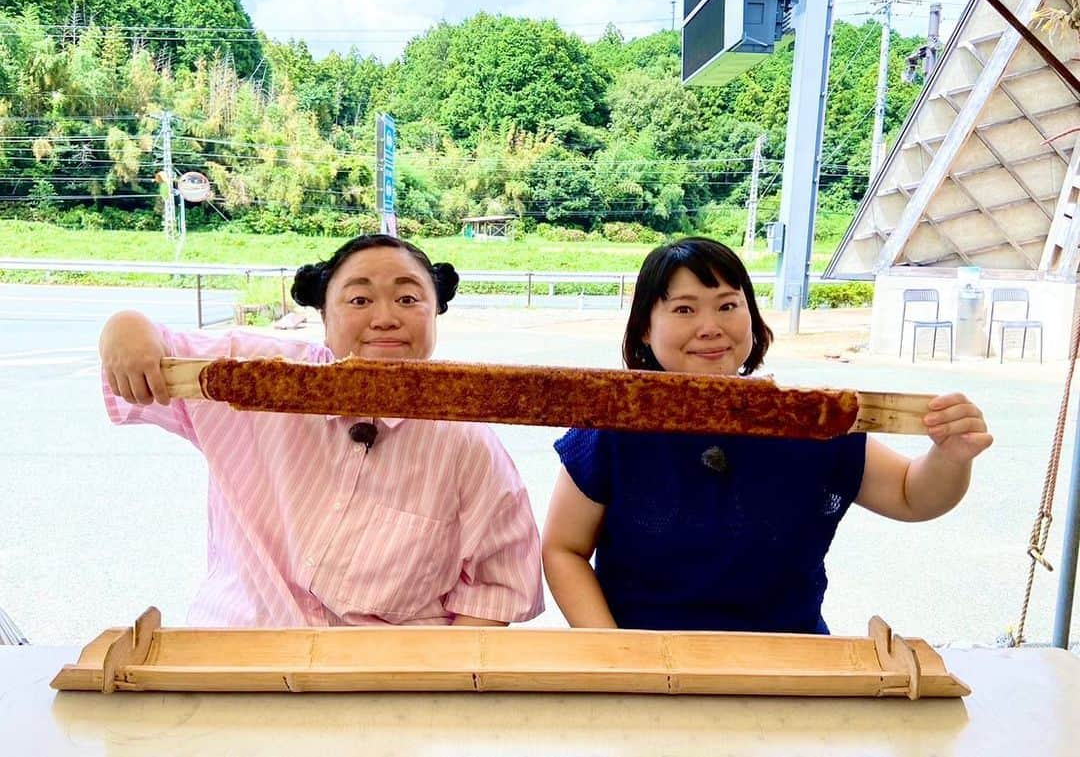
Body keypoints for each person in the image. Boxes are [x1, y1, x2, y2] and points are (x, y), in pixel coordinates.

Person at [542, 237, 992, 634]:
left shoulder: (805, 419)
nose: (710, 326)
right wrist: (614, 651)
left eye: (728, 305)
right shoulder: (612, 425)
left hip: (789, 657)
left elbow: (912, 495)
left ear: (752, 318)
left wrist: (952, 455)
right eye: (684, 309)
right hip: (645, 662)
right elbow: (564, 548)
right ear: (645, 327)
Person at [100, 234, 543, 628]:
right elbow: (151, 351)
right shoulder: (256, 377)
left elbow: (497, 582)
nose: (385, 318)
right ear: (324, 315)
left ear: (435, 314)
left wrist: (436, 677)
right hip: (240, 646)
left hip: (384, 677)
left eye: (408, 299)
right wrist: (125, 327)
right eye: (359, 300)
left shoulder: (466, 439)